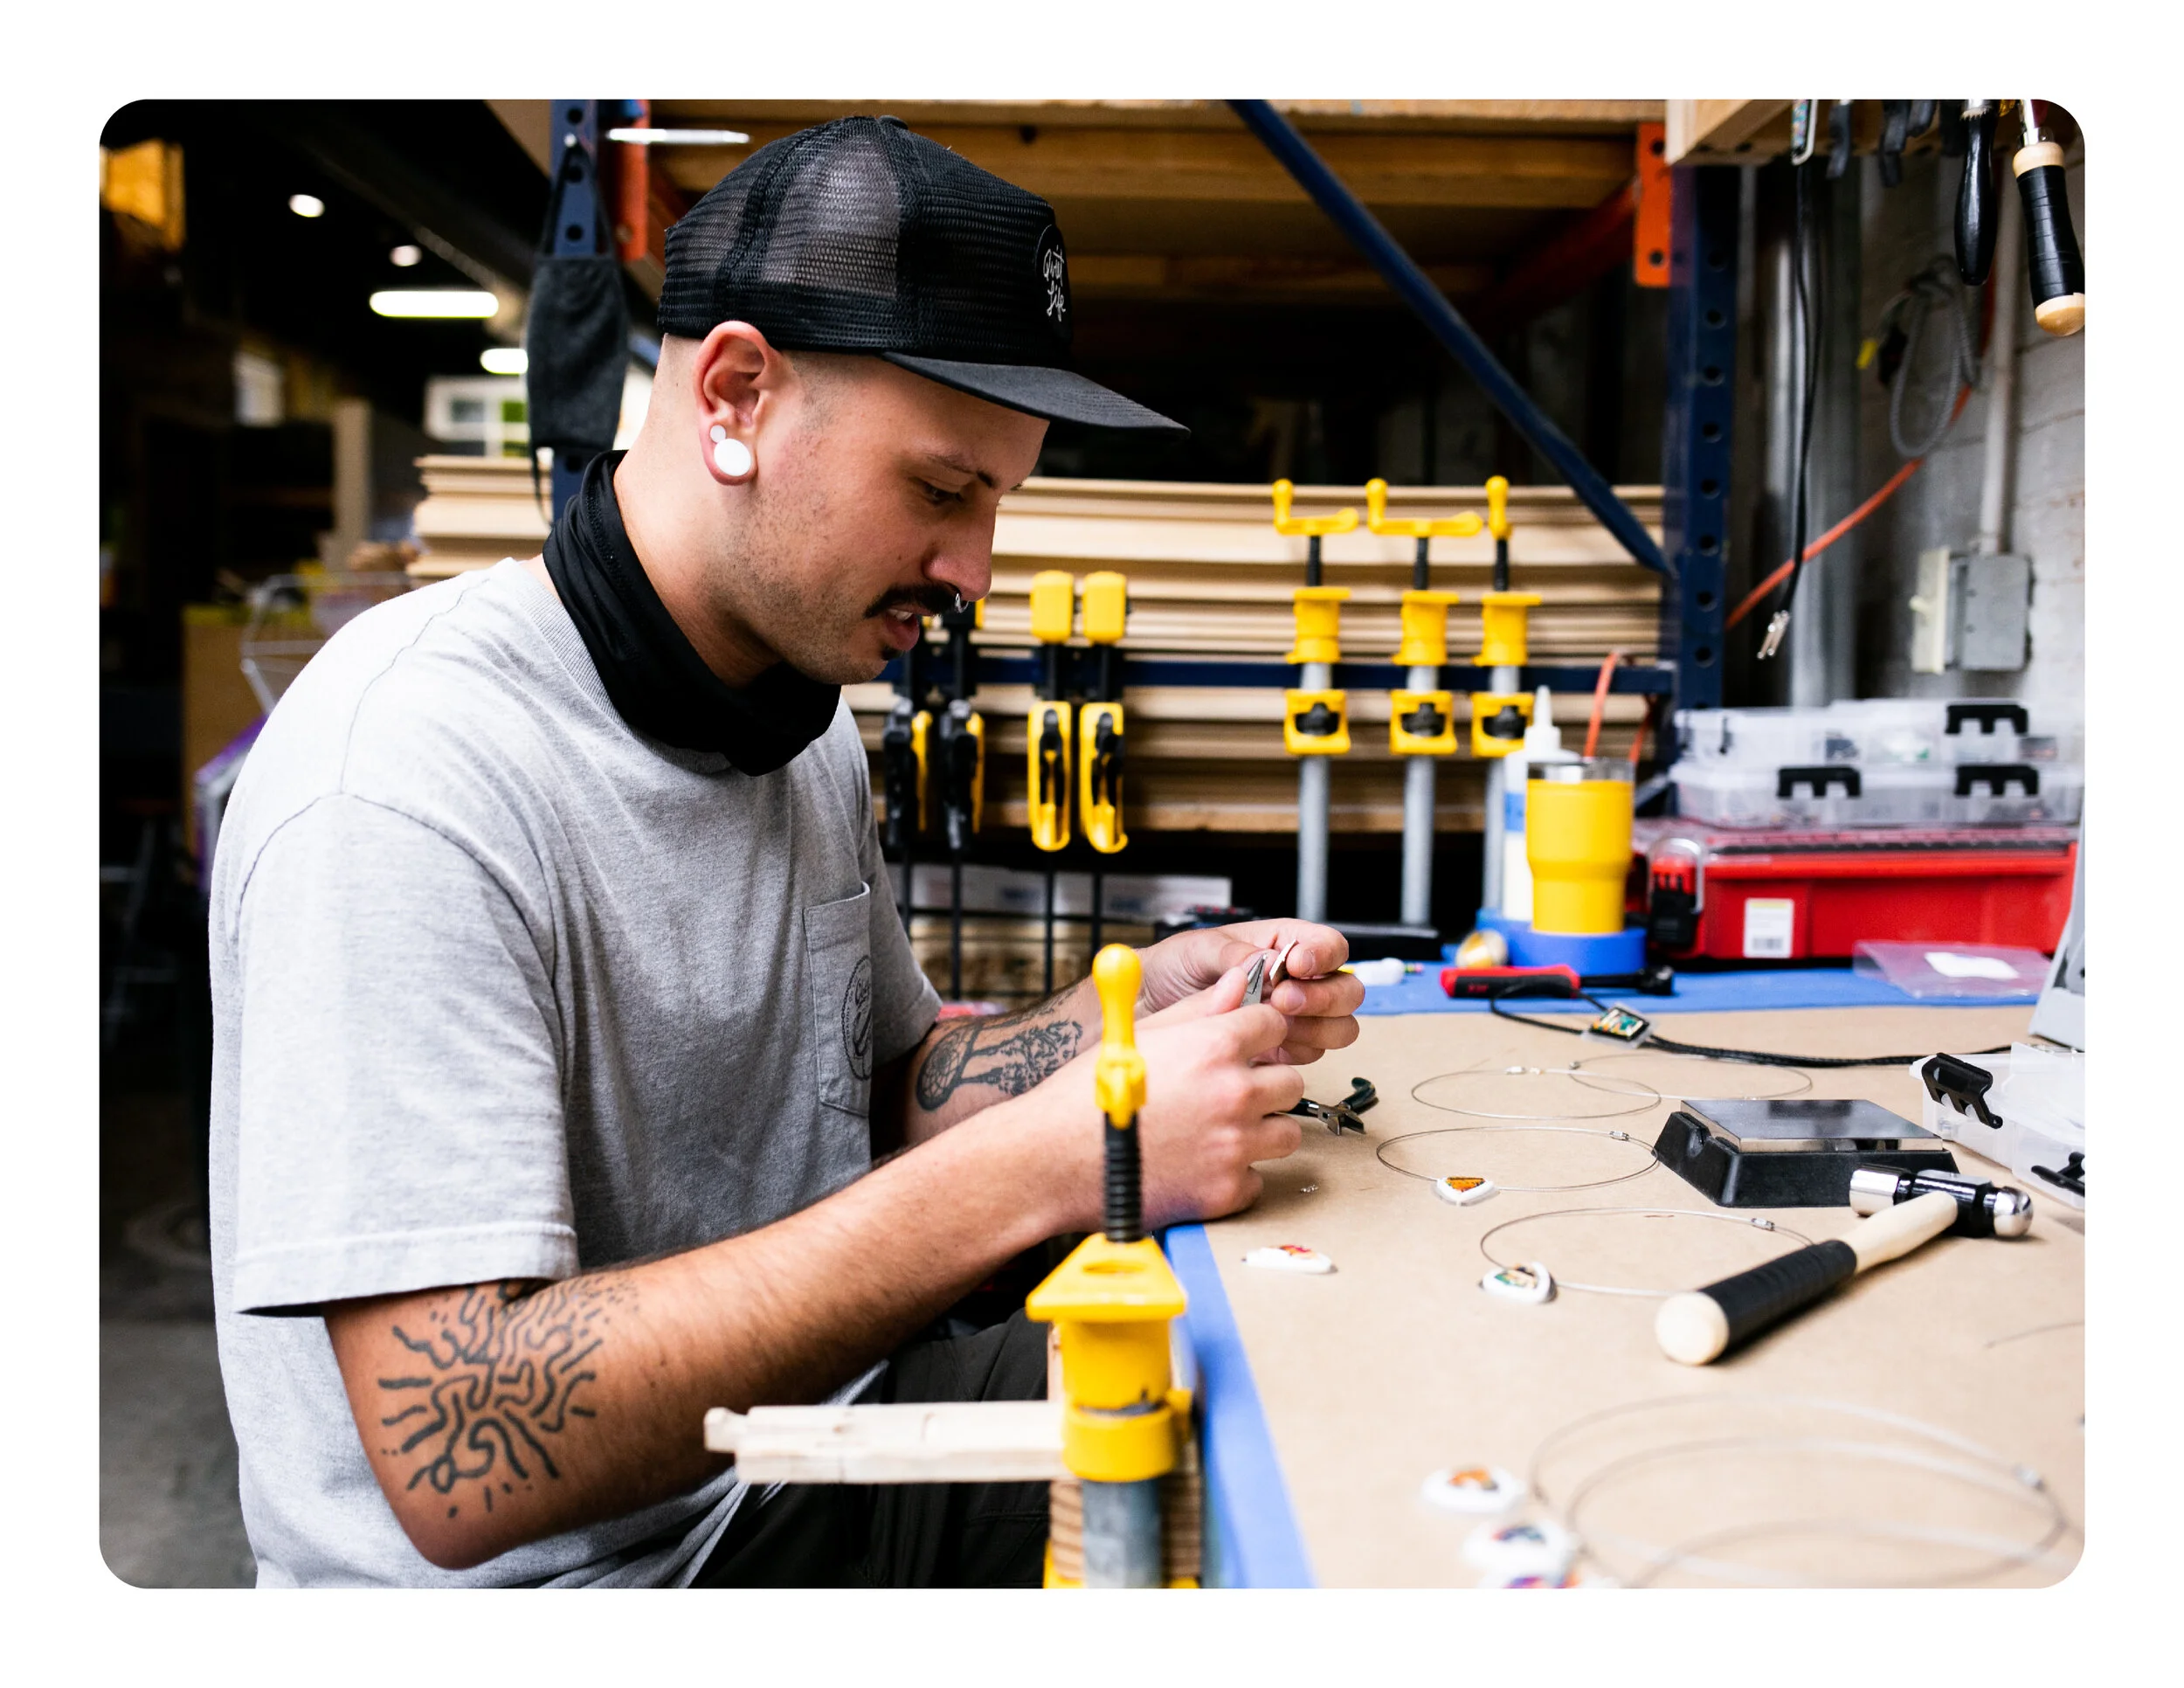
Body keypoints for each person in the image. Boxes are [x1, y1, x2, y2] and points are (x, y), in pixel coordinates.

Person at [208, 115, 1362, 1588]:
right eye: (941, 490)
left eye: (996, 503)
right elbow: (460, 1442)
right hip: (583, 1589)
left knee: (1286, 1411)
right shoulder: (408, 779)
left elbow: (872, 1094)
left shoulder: (793, 717)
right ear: (737, 395)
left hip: (786, 1459)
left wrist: (1125, 1018)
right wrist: (1045, 1167)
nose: (974, 572)